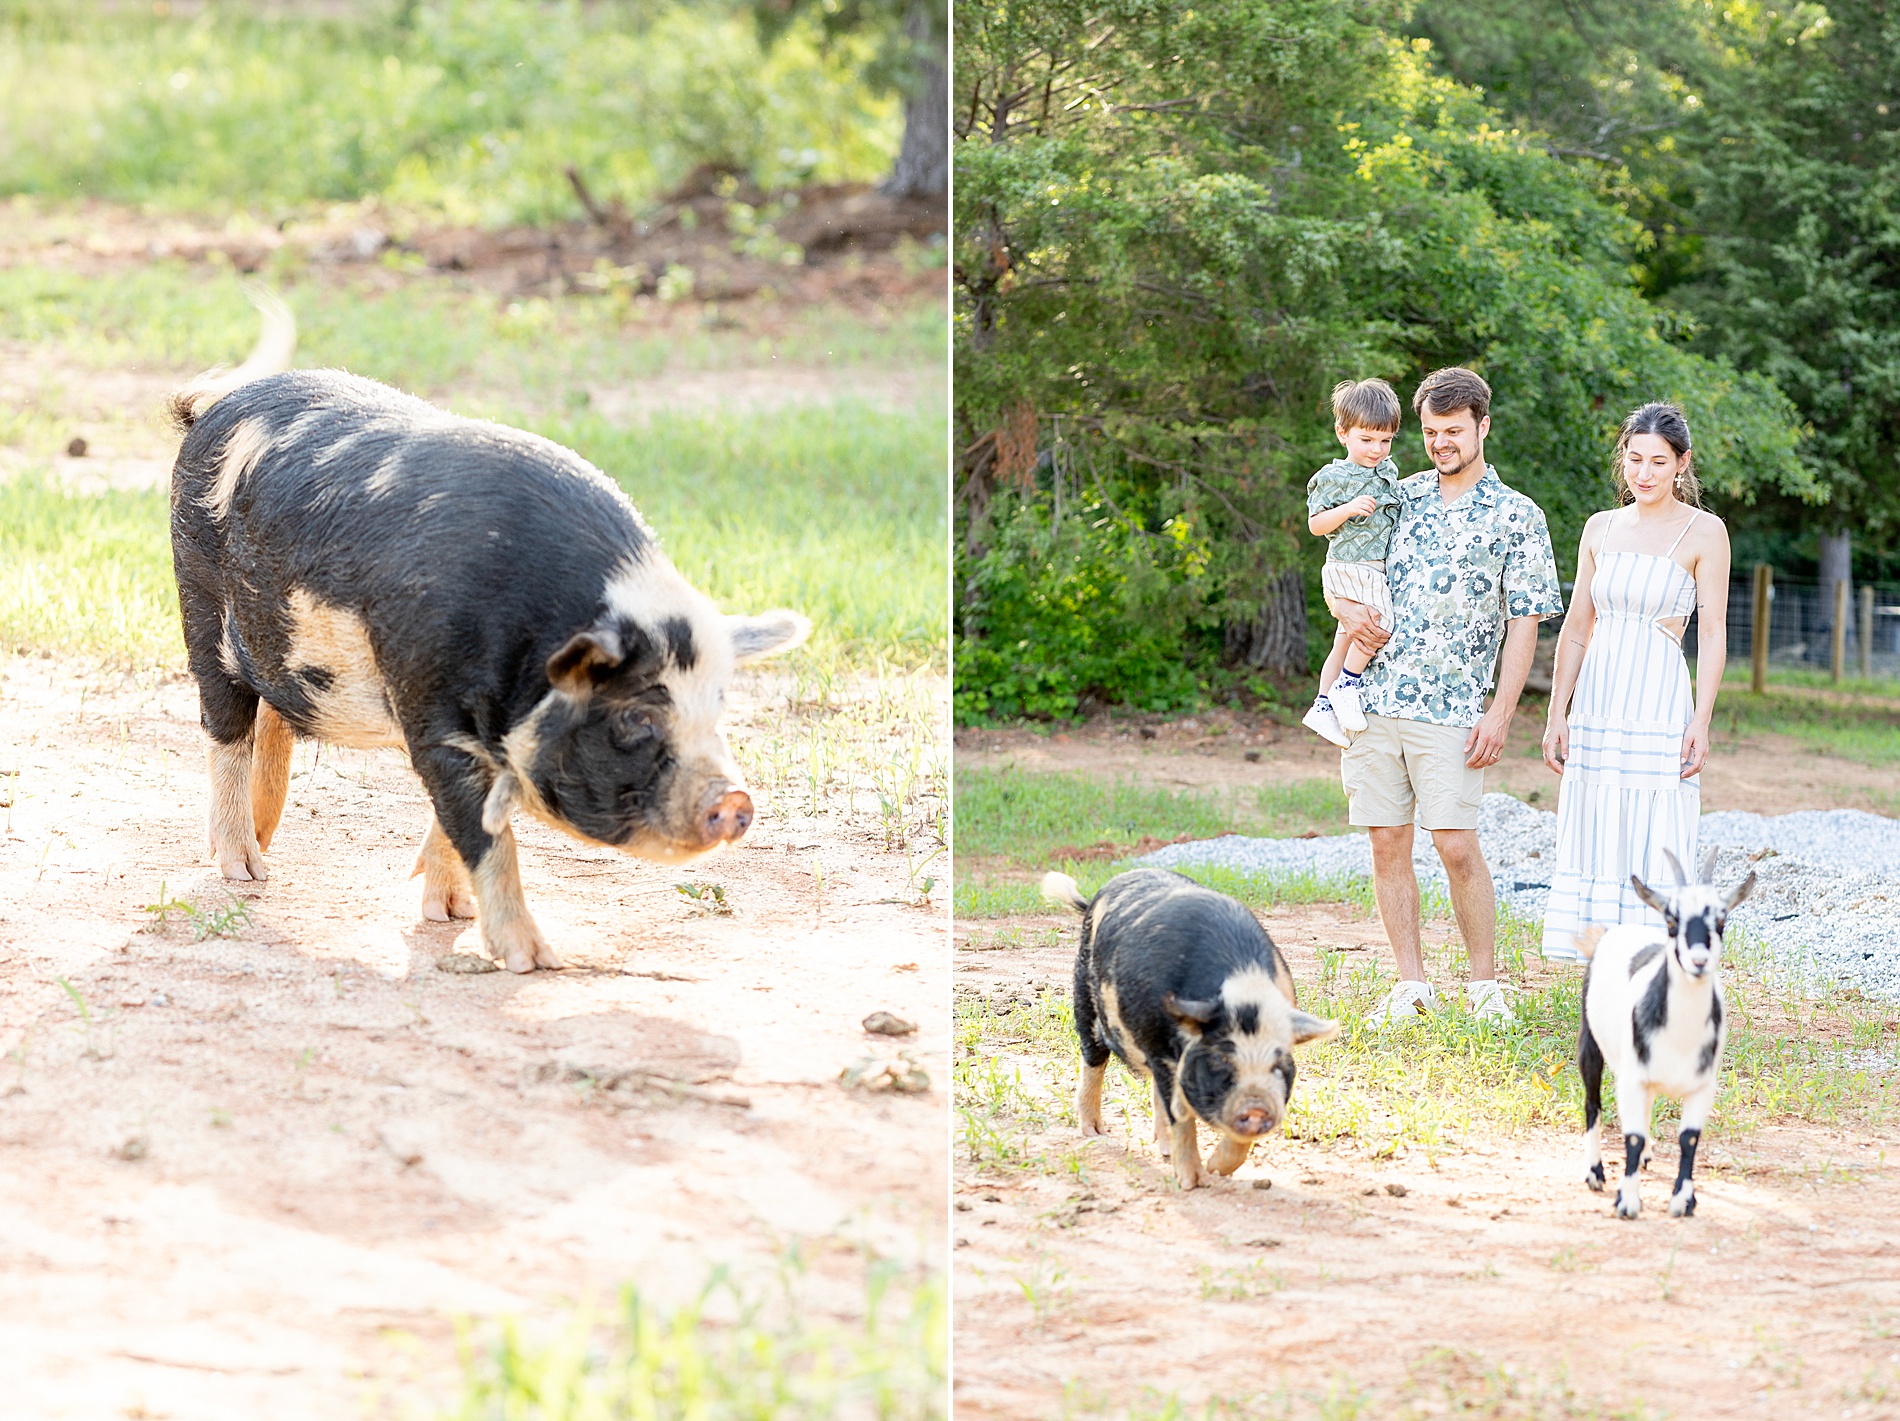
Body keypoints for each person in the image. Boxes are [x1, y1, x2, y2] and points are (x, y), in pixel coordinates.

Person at [1332, 367, 1564, 1025]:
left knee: (1457, 844)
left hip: (1455, 708)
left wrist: (1502, 711)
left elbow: (1526, 619)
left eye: (1453, 431)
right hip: (1377, 698)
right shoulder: (1395, 498)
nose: (1440, 442)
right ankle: (1411, 986)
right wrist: (1349, 615)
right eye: (1431, 431)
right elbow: (1345, 567)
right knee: (1386, 840)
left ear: (1483, 426)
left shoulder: (1518, 515)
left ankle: (1484, 985)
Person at [1540, 403, 1731, 962]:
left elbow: (1715, 632)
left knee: (1657, 815)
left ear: (1681, 463)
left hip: (1659, 698)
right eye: (1634, 459)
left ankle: (1655, 952)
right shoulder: (1600, 527)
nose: (1644, 473)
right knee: (1597, 813)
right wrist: (1558, 713)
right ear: (1622, 458)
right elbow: (1577, 627)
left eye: (1657, 461)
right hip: (1599, 698)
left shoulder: (1705, 531)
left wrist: (1702, 717)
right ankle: (1597, 955)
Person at [1301, 379, 1405, 748]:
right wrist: (1346, 510)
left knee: (1345, 638)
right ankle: (1347, 684)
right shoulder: (1334, 477)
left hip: (1370, 566)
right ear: (1342, 433)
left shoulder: (1385, 470)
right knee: (1379, 623)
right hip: (1351, 564)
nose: (1376, 449)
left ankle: (1321, 706)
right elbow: (1315, 525)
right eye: (1367, 440)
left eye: (1385, 440)